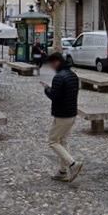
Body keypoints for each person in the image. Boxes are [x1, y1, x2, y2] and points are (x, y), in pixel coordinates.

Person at [42, 52, 83, 182]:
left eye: (52, 64)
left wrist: (47, 89)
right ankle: (62, 171)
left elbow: (55, 96)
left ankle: (73, 164)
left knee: (53, 141)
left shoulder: (59, 77)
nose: (51, 67)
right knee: (63, 141)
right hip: (71, 113)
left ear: (57, 62)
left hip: (62, 114)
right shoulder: (73, 75)